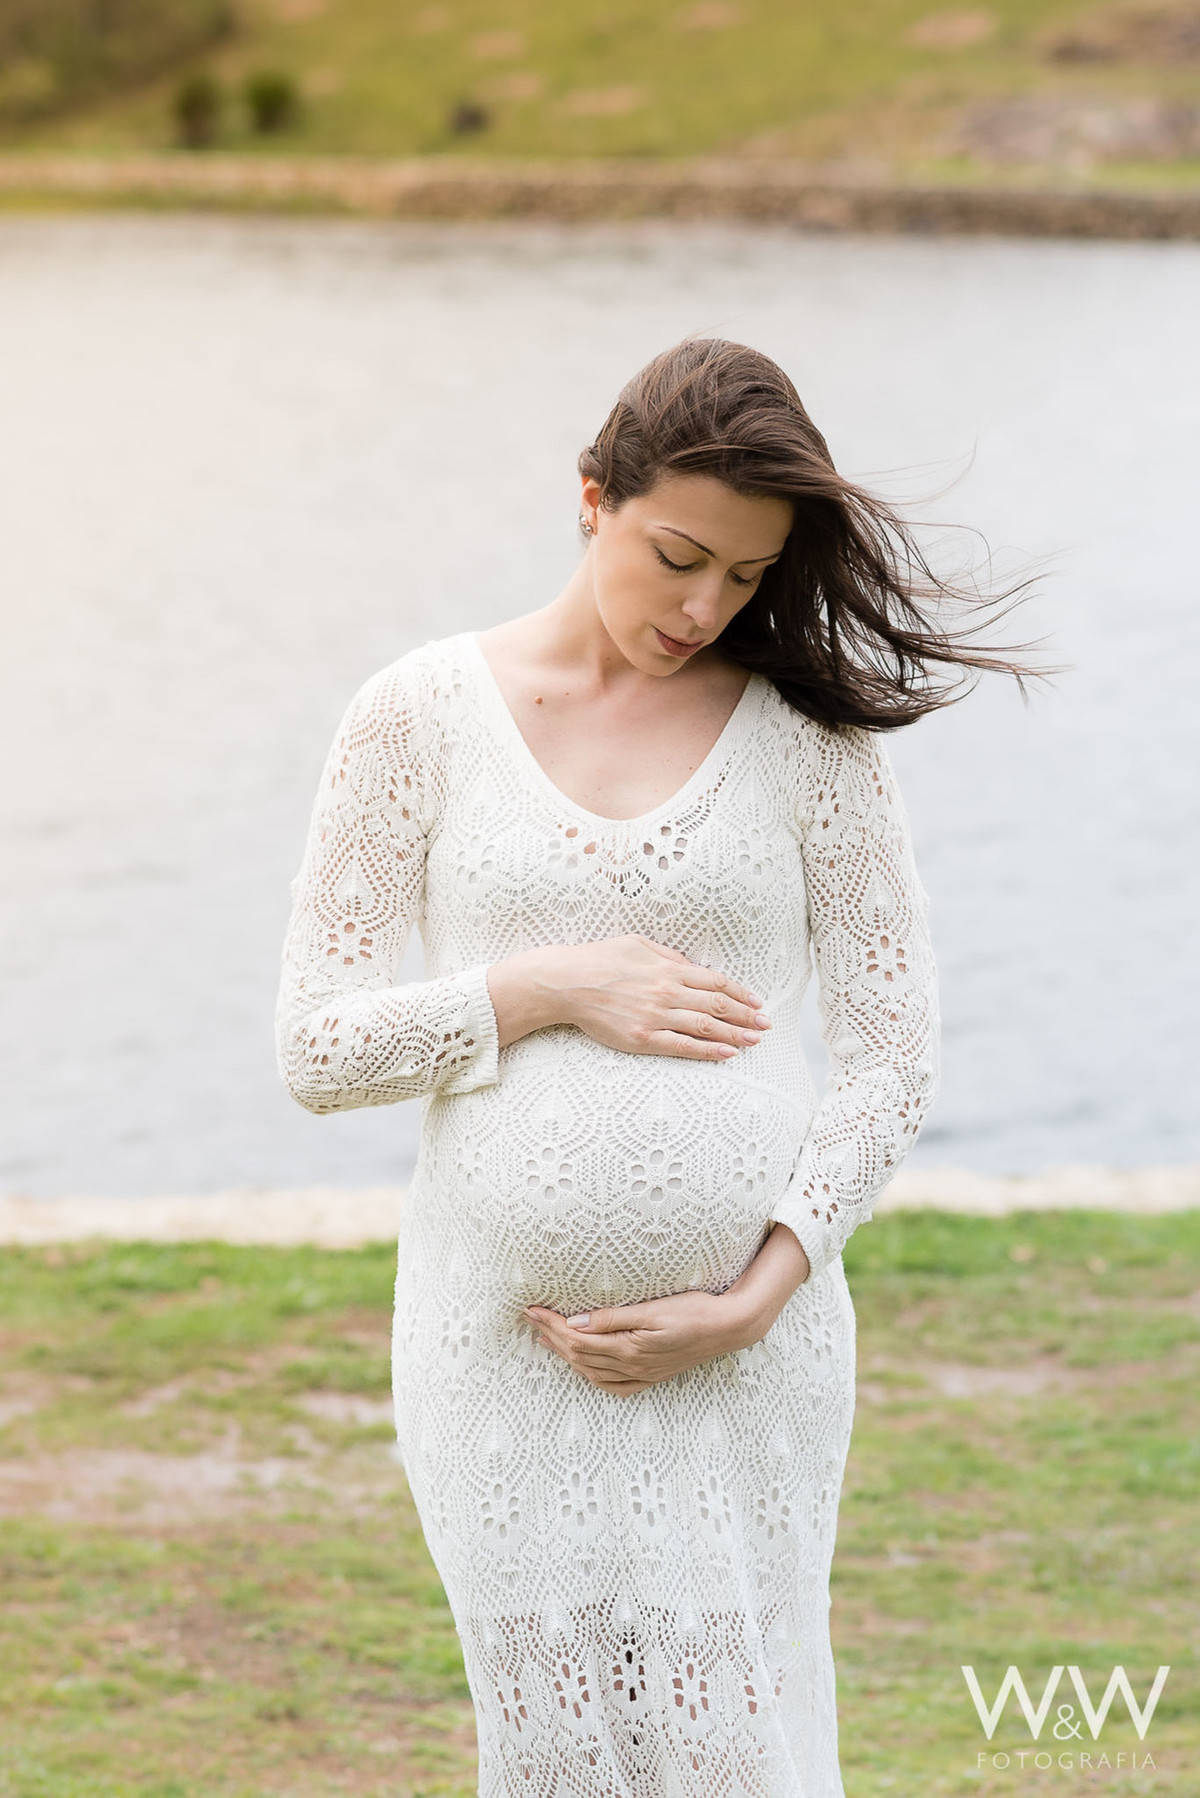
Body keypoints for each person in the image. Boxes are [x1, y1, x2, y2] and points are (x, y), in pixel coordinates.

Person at [275, 337, 1039, 1798]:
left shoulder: (810, 745)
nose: (705, 607)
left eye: (746, 577)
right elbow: (317, 1047)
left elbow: (894, 1055)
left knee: (732, 1746)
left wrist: (753, 1296)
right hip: (501, 1356)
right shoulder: (417, 718)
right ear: (591, 499)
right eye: (680, 554)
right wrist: (549, 986)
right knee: (558, 1751)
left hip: (752, 1360)